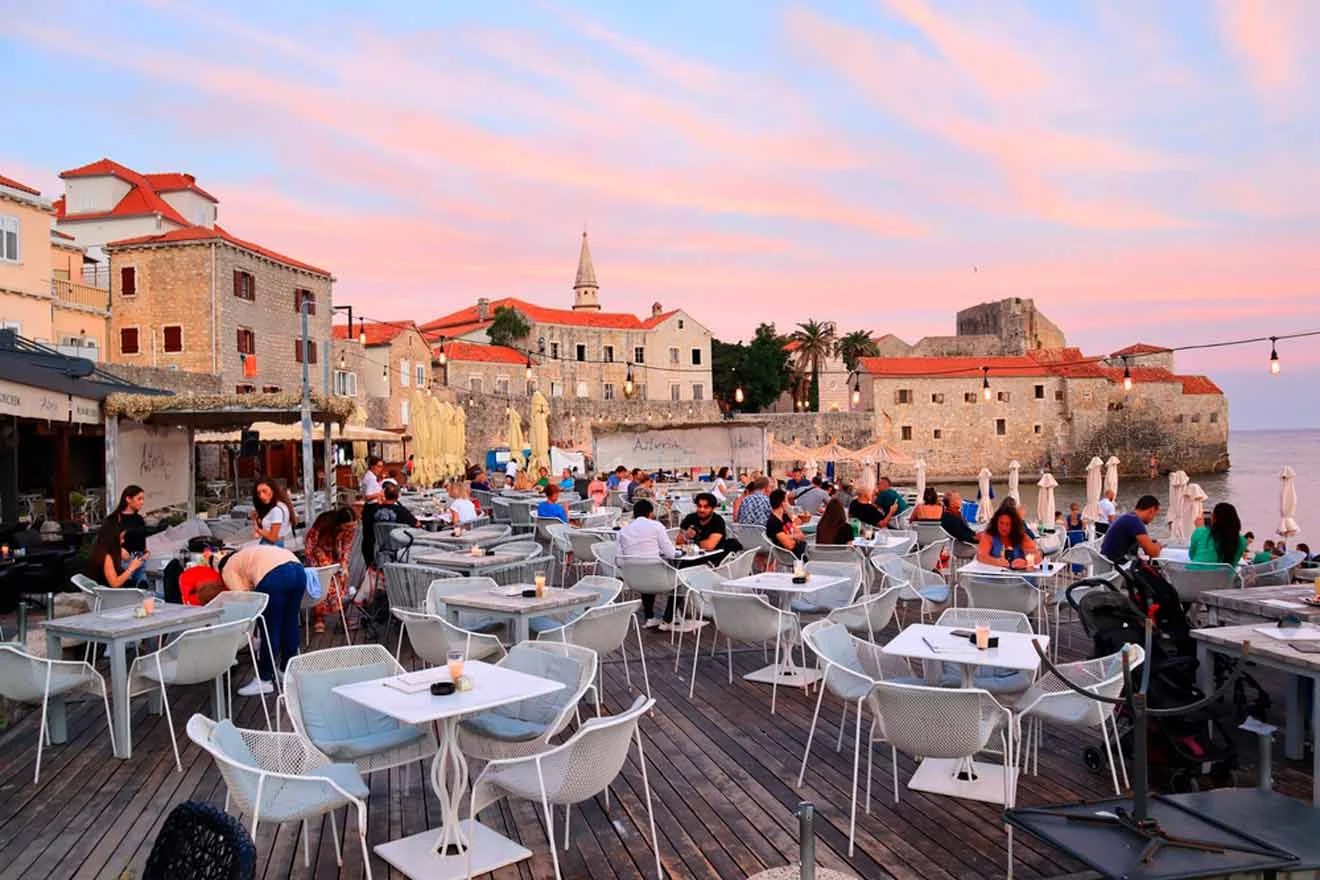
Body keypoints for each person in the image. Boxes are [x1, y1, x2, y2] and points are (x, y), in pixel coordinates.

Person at [219, 543, 306, 695]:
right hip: (298, 570)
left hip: (274, 576)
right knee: (290, 623)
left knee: (270, 629)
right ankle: (286, 671)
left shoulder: (228, 569)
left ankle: (264, 679)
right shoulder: (248, 554)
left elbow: (245, 598)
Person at [617, 499, 679, 629]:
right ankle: (668, 619)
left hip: (636, 581)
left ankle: (649, 617)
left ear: (634, 514)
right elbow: (671, 553)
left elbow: (620, 561)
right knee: (682, 580)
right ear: (651, 513)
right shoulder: (656, 526)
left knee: (645, 568)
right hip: (660, 580)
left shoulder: (622, 531)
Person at [303, 507, 356, 634]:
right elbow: (311, 542)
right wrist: (315, 561)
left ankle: (342, 615)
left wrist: (344, 563)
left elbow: (346, 546)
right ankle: (319, 617)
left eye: (352, 527)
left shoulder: (349, 529)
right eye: (347, 527)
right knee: (322, 583)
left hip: (335, 553)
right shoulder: (324, 523)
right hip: (318, 551)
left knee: (340, 581)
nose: (349, 530)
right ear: (339, 524)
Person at [1099, 494, 1163, 563]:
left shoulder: (1129, 517)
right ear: (1151, 510)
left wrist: (1149, 543)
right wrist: (1158, 546)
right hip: (1118, 565)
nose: (1153, 519)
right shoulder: (1135, 522)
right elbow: (1153, 553)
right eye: (1154, 515)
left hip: (1108, 562)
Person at [976, 504, 1040, 570]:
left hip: (1019, 577)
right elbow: (980, 556)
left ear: (1014, 525)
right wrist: (996, 562)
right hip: (993, 577)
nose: (1004, 527)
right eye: (1001, 523)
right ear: (996, 522)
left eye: (1008, 524)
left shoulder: (1022, 537)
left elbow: (1037, 556)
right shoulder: (988, 535)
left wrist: (1026, 562)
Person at [1187, 502, 1246, 569]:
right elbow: (1233, 563)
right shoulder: (1242, 542)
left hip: (1192, 576)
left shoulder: (1201, 532)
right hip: (1222, 578)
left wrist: (1200, 529)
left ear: (1214, 519)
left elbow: (1192, 555)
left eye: (1212, 515)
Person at [678, 492, 729, 560]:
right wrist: (686, 535)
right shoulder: (690, 518)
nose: (702, 510)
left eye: (706, 507)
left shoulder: (717, 521)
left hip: (712, 559)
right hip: (689, 557)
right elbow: (678, 542)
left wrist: (690, 543)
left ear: (713, 509)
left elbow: (709, 546)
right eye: (699, 506)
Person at [251, 479, 295, 546]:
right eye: (259, 493)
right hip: (273, 545)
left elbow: (273, 537)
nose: (261, 496)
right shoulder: (281, 505)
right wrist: (255, 520)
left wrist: (258, 530)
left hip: (271, 546)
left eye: (264, 491)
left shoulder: (276, 510)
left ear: (273, 490)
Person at [766, 488, 807, 559]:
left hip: (801, 550)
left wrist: (789, 536)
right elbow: (790, 545)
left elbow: (802, 536)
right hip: (790, 555)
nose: (788, 504)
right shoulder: (773, 522)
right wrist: (795, 537)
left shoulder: (785, 516)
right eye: (787, 501)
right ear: (782, 503)